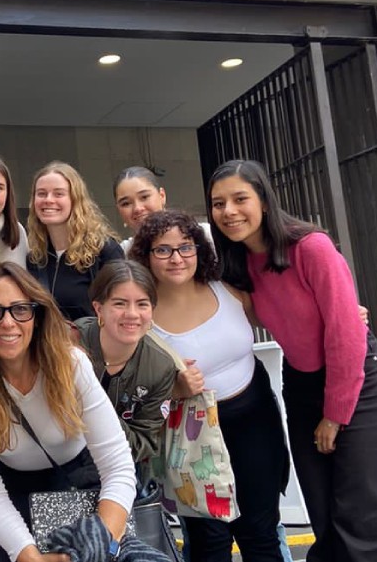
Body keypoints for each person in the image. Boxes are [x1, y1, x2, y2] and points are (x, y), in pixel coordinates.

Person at [206, 159, 377, 562]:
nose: (228, 211)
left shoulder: (311, 247)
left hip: (355, 381)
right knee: (324, 512)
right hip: (300, 386)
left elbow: (345, 333)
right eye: (218, 203)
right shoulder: (238, 264)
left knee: (366, 515)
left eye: (239, 199)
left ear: (264, 200)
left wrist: (335, 414)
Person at [0, 260, 136, 562]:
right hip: (13, 495)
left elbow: (119, 467)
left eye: (20, 309)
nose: (8, 323)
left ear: (37, 314)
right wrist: (31, 558)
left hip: (82, 480)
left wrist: (99, 543)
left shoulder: (72, 365)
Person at [131, 209, 289, 562]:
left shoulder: (229, 289)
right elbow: (129, 390)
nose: (176, 258)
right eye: (163, 250)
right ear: (146, 256)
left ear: (199, 250)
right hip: (191, 437)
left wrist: (341, 313)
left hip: (254, 420)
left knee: (261, 532)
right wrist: (172, 391)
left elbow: (286, 314)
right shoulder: (140, 317)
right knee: (209, 541)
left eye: (185, 247)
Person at [73, 260, 178, 478]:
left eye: (142, 304)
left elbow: (144, 442)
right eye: (120, 304)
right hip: (58, 465)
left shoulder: (160, 368)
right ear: (98, 308)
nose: (132, 314)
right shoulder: (70, 343)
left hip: (118, 471)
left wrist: (92, 405)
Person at [26, 161, 124, 320]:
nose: (48, 200)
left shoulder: (105, 251)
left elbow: (121, 309)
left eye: (58, 194)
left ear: (75, 200)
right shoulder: (35, 258)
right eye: (42, 193)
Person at [113, 166, 167, 254]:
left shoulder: (194, 235)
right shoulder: (121, 254)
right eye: (126, 203)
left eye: (144, 197)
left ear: (162, 195)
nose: (137, 208)